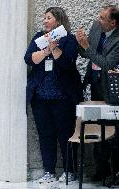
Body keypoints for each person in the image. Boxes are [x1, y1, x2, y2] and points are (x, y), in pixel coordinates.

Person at [24, 7, 83, 183]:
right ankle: (48, 171)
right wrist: (45, 50)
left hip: (63, 98)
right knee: (45, 134)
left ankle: (69, 171)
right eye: (44, 18)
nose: (45, 21)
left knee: (66, 134)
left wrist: (55, 49)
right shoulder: (38, 37)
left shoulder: (69, 40)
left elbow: (67, 64)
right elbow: (28, 59)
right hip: (40, 97)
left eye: (48, 18)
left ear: (58, 21)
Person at [76, 5, 119, 181]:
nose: (97, 20)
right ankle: (101, 170)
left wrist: (87, 47)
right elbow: (86, 54)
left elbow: (108, 64)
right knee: (98, 128)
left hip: (112, 90)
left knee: (115, 133)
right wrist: (81, 44)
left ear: (113, 23)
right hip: (95, 85)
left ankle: (116, 172)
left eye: (102, 18)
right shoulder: (96, 26)